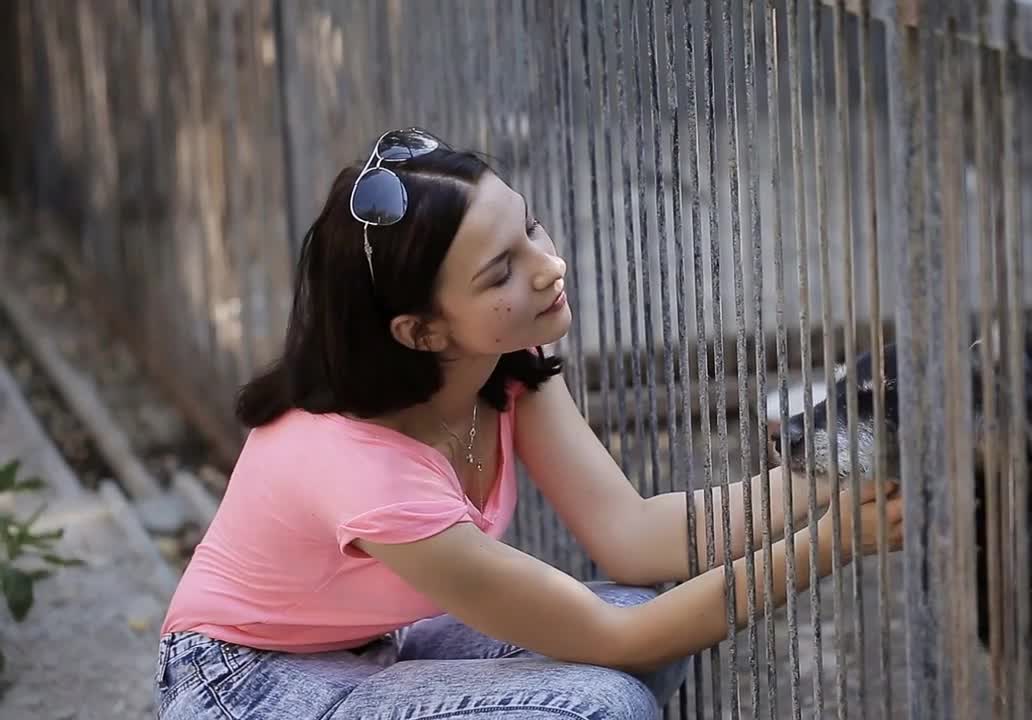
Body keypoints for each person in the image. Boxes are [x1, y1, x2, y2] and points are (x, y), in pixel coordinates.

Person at [153, 128, 906, 720]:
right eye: (500, 272)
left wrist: (844, 469)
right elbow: (612, 646)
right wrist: (833, 542)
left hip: (371, 649)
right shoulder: (364, 471)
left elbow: (634, 536)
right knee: (598, 702)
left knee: (640, 613)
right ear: (421, 332)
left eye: (531, 230)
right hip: (244, 690)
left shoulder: (506, 358)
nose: (548, 267)